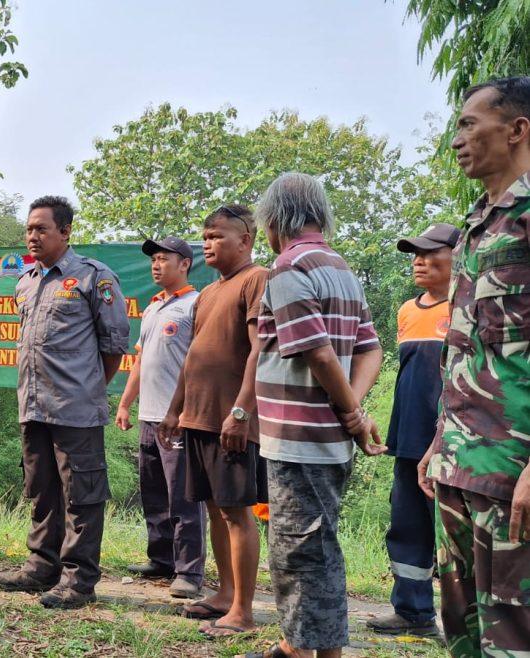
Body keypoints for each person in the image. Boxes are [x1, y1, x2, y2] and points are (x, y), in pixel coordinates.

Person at [249, 172, 385, 658]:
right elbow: (371, 349)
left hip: (300, 437)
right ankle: (294, 647)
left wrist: (352, 412)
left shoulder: (288, 269)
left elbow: (320, 355)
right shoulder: (340, 268)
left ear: (274, 218)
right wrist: (354, 411)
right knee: (310, 545)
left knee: (301, 554)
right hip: (324, 438)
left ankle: (317, 653)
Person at [418, 76, 530, 657]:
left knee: (516, 632)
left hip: (515, 470)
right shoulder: (474, 226)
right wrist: (440, 441)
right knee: (462, 624)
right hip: (462, 463)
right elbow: (464, 348)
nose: (456, 138)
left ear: (516, 130)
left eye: (469, 124)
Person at [0, 195, 131, 609]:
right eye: (29, 229)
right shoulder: (27, 280)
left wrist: (89, 388)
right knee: (42, 490)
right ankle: (42, 565)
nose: (32, 236)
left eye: (42, 229)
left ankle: (79, 580)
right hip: (33, 406)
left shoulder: (93, 278)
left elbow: (114, 345)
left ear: (66, 232)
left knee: (82, 495)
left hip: (75, 409)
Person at [158, 204, 266, 637]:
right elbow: (193, 357)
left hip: (232, 422)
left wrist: (241, 411)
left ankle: (243, 609)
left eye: (217, 235)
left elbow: (261, 350)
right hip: (198, 419)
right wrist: (174, 410)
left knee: (238, 512)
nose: (207, 242)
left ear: (246, 240)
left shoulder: (257, 280)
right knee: (214, 509)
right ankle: (223, 595)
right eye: (205, 235)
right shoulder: (207, 293)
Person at [366, 223, 459, 637]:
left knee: (455, 531)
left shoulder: (469, 309)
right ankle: (413, 612)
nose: (419, 261)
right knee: (407, 527)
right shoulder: (407, 310)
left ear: (458, 256)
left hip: (455, 443)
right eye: (414, 254)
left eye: (430, 252)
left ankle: (463, 623)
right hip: (407, 438)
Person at [115, 236, 206, 600]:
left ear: (184, 264)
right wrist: (125, 404)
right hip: (148, 416)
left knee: (184, 497)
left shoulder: (196, 305)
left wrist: (184, 411)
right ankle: (161, 559)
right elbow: (140, 361)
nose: (155, 265)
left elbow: (199, 362)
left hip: (179, 418)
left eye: (164, 259)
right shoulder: (152, 308)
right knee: (153, 493)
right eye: (153, 259)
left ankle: (189, 571)